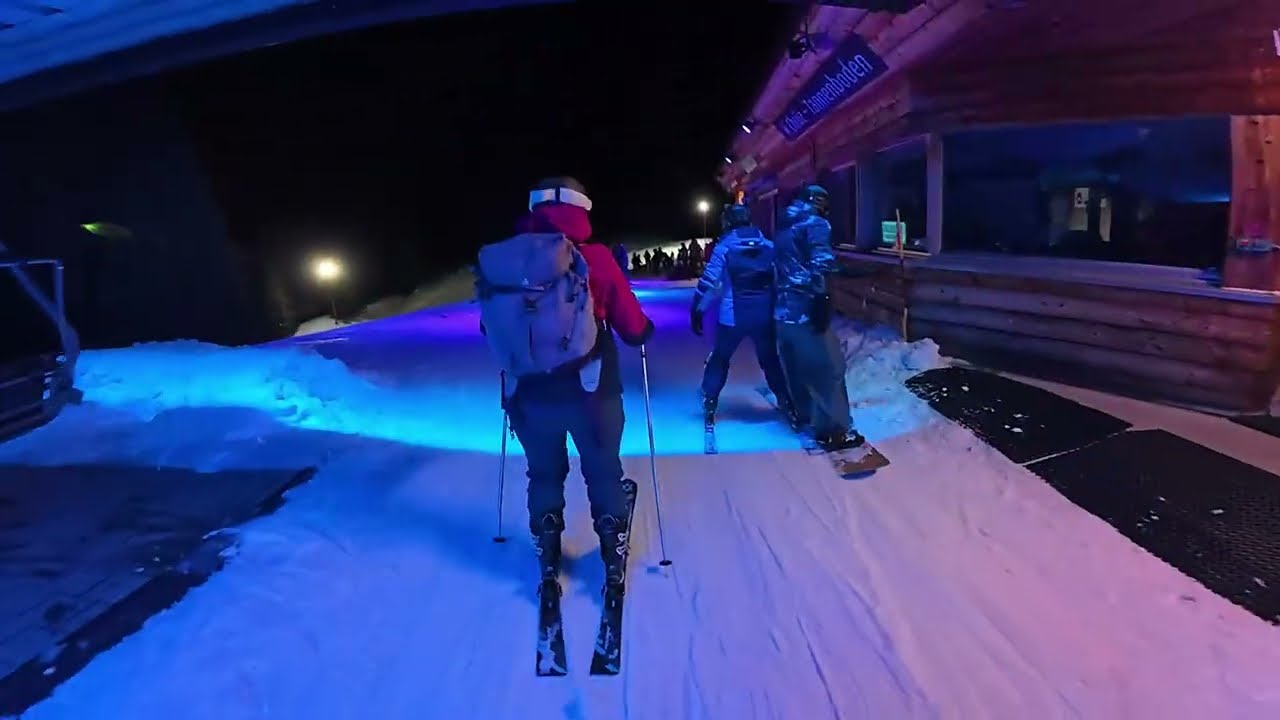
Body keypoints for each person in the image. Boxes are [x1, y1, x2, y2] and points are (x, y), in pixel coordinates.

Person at [476, 176, 654, 602]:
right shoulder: (595, 258)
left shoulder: (504, 263)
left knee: (543, 473)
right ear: (581, 210)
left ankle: (548, 547)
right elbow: (631, 328)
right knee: (602, 468)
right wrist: (643, 330)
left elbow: (490, 327)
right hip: (591, 389)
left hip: (528, 394)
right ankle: (612, 551)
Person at [772, 184, 864, 452]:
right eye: (823, 201)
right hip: (805, 308)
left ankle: (805, 414)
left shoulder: (783, 227)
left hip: (782, 312)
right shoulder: (815, 223)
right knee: (829, 367)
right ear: (816, 201)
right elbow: (822, 263)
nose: (826, 208)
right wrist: (852, 272)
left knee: (797, 365)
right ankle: (833, 431)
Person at [691, 203, 793, 427]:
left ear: (728, 222)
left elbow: (710, 282)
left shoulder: (725, 247)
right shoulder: (768, 245)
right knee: (769, 359)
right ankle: (785, 399)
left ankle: (710, 400)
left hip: (732, 316)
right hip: (764, 314)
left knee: (720, 358)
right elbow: (780, 278)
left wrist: (698, 308)